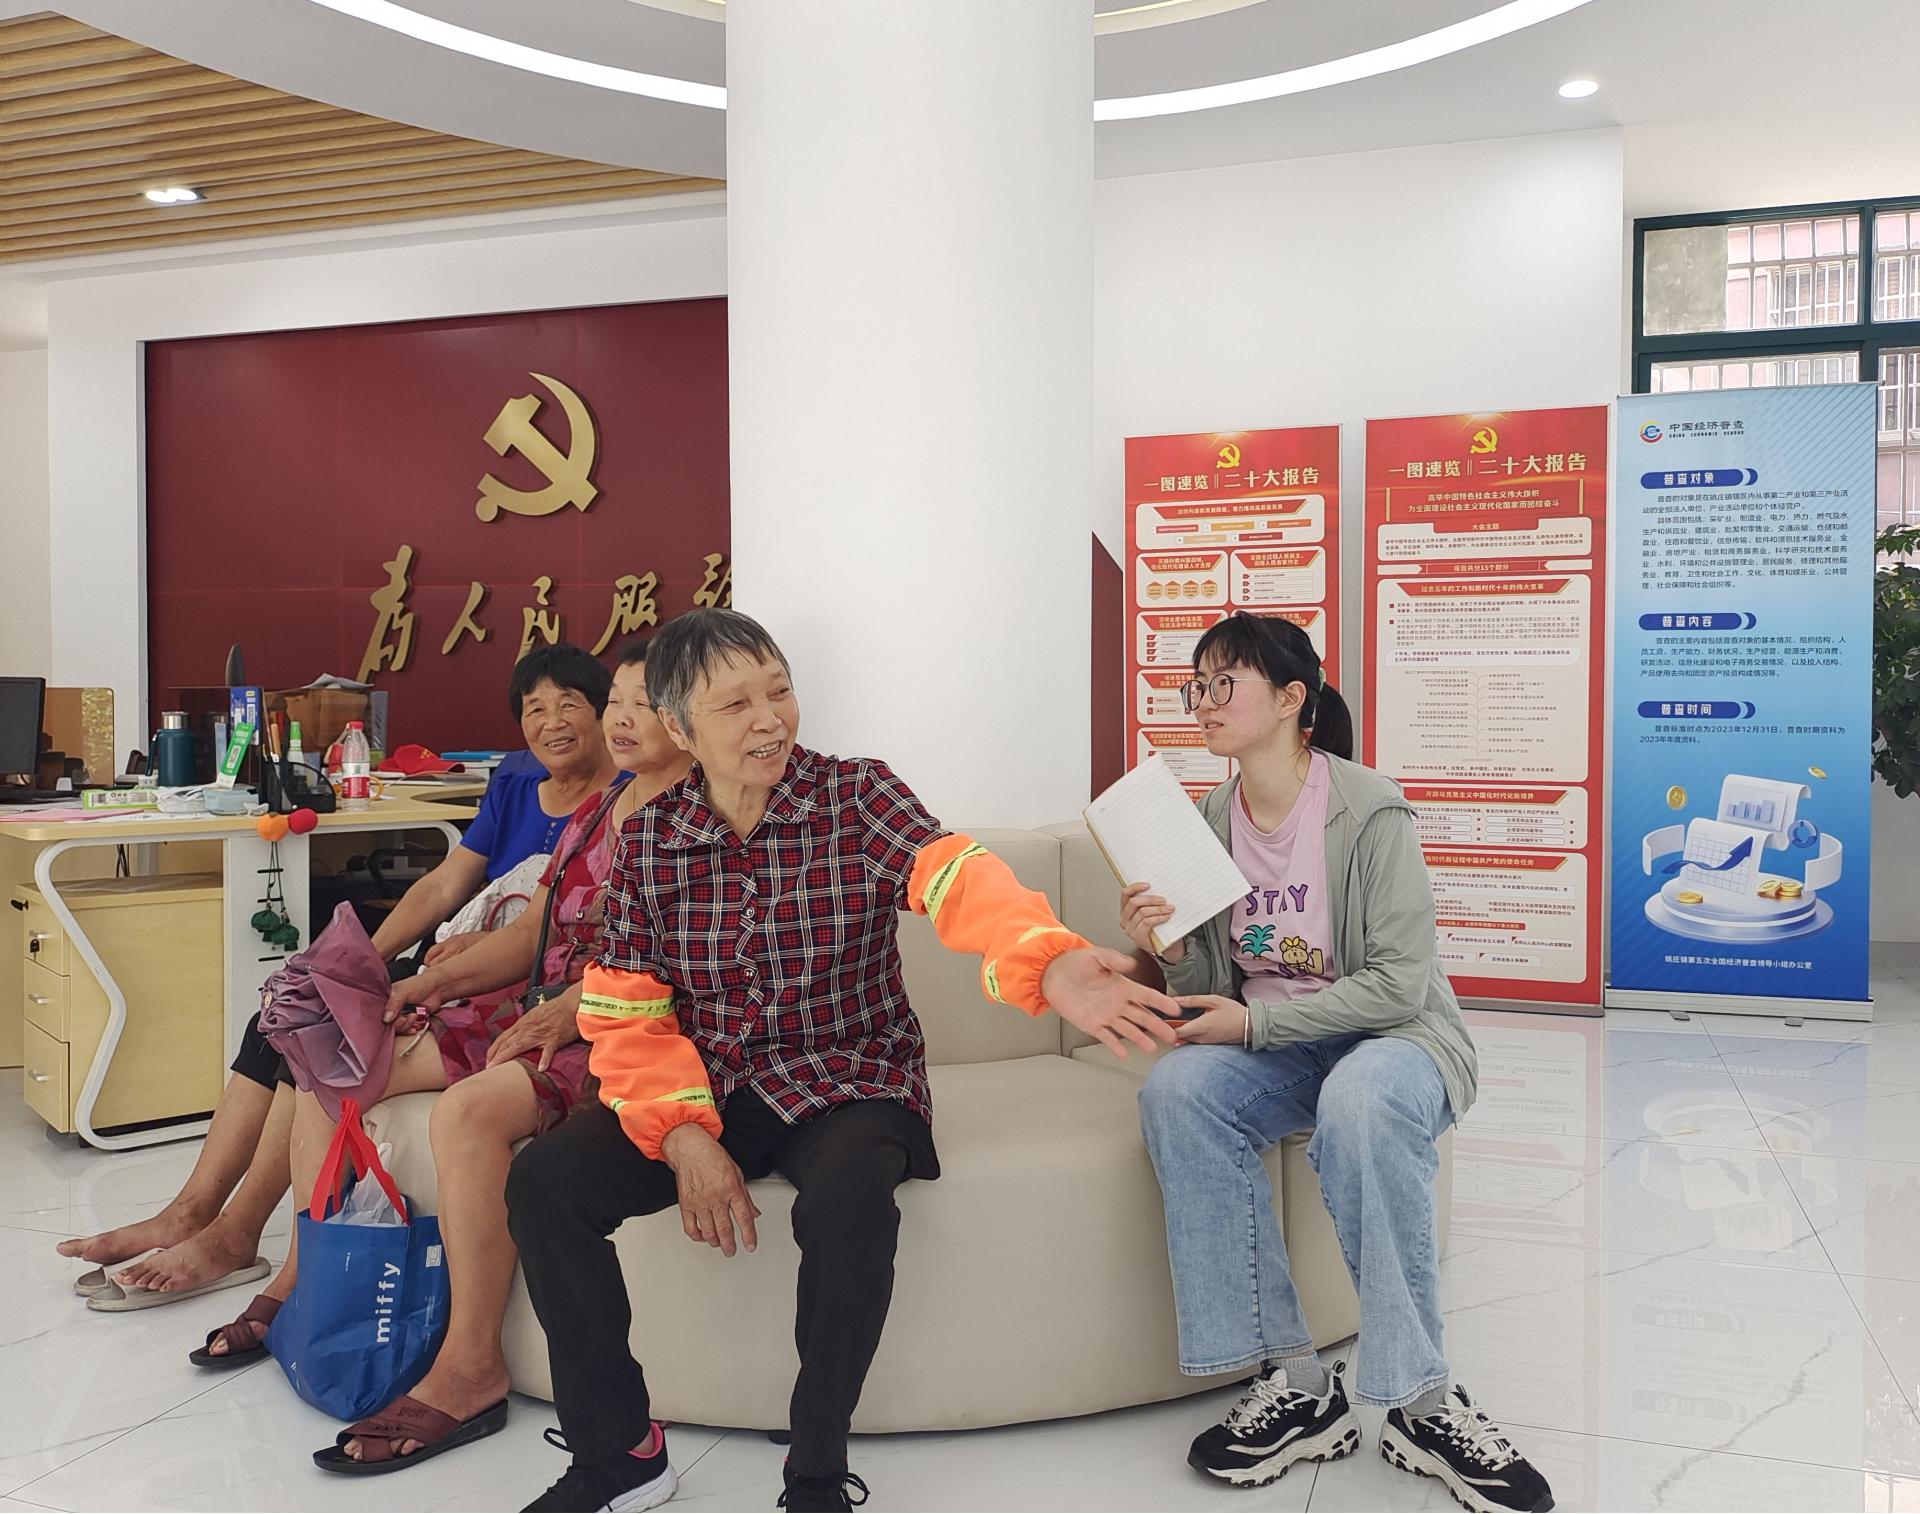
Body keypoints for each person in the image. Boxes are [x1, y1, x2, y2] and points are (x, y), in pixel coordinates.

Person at [505, 608, 1181, 1514]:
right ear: (679, 726)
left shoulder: (855, 794)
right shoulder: (652, 838)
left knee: (851, 1195)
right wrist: (682, 1135)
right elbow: (627, 1011)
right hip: (711, 1085)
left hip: (852, 1076)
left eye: (779, 691)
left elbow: (955, 877)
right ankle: (618, 1451)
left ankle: (816, 1468)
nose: (769, 720)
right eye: (736, 704)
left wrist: (1048, 960)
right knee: (545, 1181)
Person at [191, 640, 693, 1478]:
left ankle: (470, 1365)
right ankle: (302, 1281)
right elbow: (528, 935)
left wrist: (570, 1010)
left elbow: (677, 963)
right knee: (334, 1062)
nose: (620, 720)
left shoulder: (697, 823)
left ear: (684, 718)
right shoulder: (598, 811)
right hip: (537, 1002)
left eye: (640, 704)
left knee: (468, 1111)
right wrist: (421, 983)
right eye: (619, 702)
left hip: (618, 1026)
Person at [1119, 612, 1553, 1514]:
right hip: (1282, 1044)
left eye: (1224, 683)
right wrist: (1169, 947)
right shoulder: (1208, 820)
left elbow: (1400, 984)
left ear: (1291, 699)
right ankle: (1297, 1384)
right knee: (1178, 1091)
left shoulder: (1368, 807)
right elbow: (1214, 989)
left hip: (1395, 1039)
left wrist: (1255, 1025)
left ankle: (1421, 1401)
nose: (1203, 702)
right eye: (1197, 685)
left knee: (1361, 1098)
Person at [59, 644, 622, 1302]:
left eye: (569, 705)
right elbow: (443, 885)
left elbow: (551, 937)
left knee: (321, 1034)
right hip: (455, 956)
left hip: (506, 980)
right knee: (278, 1019)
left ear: (607, 713)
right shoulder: (517, 784)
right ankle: (192, 1211)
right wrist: (367, 960)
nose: (552, 723)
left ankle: (234, 1233)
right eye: (534, 709)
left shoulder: (623, 807)